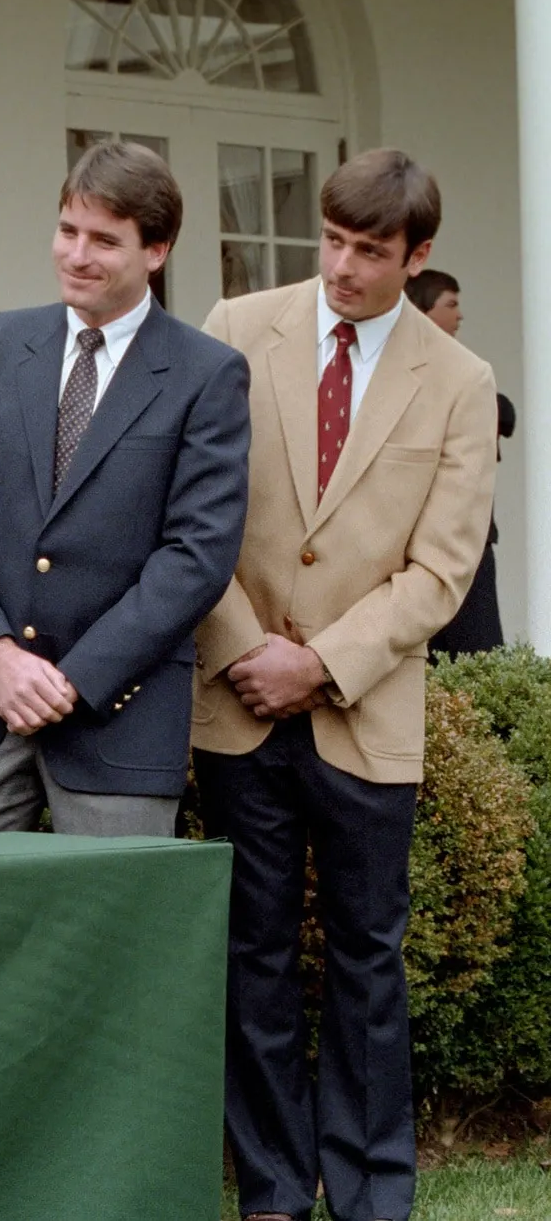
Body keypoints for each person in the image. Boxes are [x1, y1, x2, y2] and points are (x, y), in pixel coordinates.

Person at [195, 150, 497, 1221]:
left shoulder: (458, 383)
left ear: (415, 257)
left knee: (369, 960)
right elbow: (193, 510)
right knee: (254, 952)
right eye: (329, 240)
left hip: (364, 713)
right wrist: (244, 646)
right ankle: (271, 1189)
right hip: (233, 702)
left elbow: (442, 568)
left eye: (369, 251)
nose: (340, 266)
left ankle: (370, 1192)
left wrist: (318, 663)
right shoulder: (235, 327)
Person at [0, 140, 250, 836]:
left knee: (110, 939)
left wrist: (74, 679)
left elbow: (197, 557)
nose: (76, 254)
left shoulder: (207, 374)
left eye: (104, 240)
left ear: (156, 251)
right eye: (68, 231)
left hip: (117, 716)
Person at [406, 267, 511, 653]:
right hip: (427, 538)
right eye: (451, 304)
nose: (459, 315)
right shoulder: (414, 365)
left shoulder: (461, 368)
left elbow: (505, 411)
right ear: (424, 309)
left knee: (479, 651)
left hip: (472, 534)